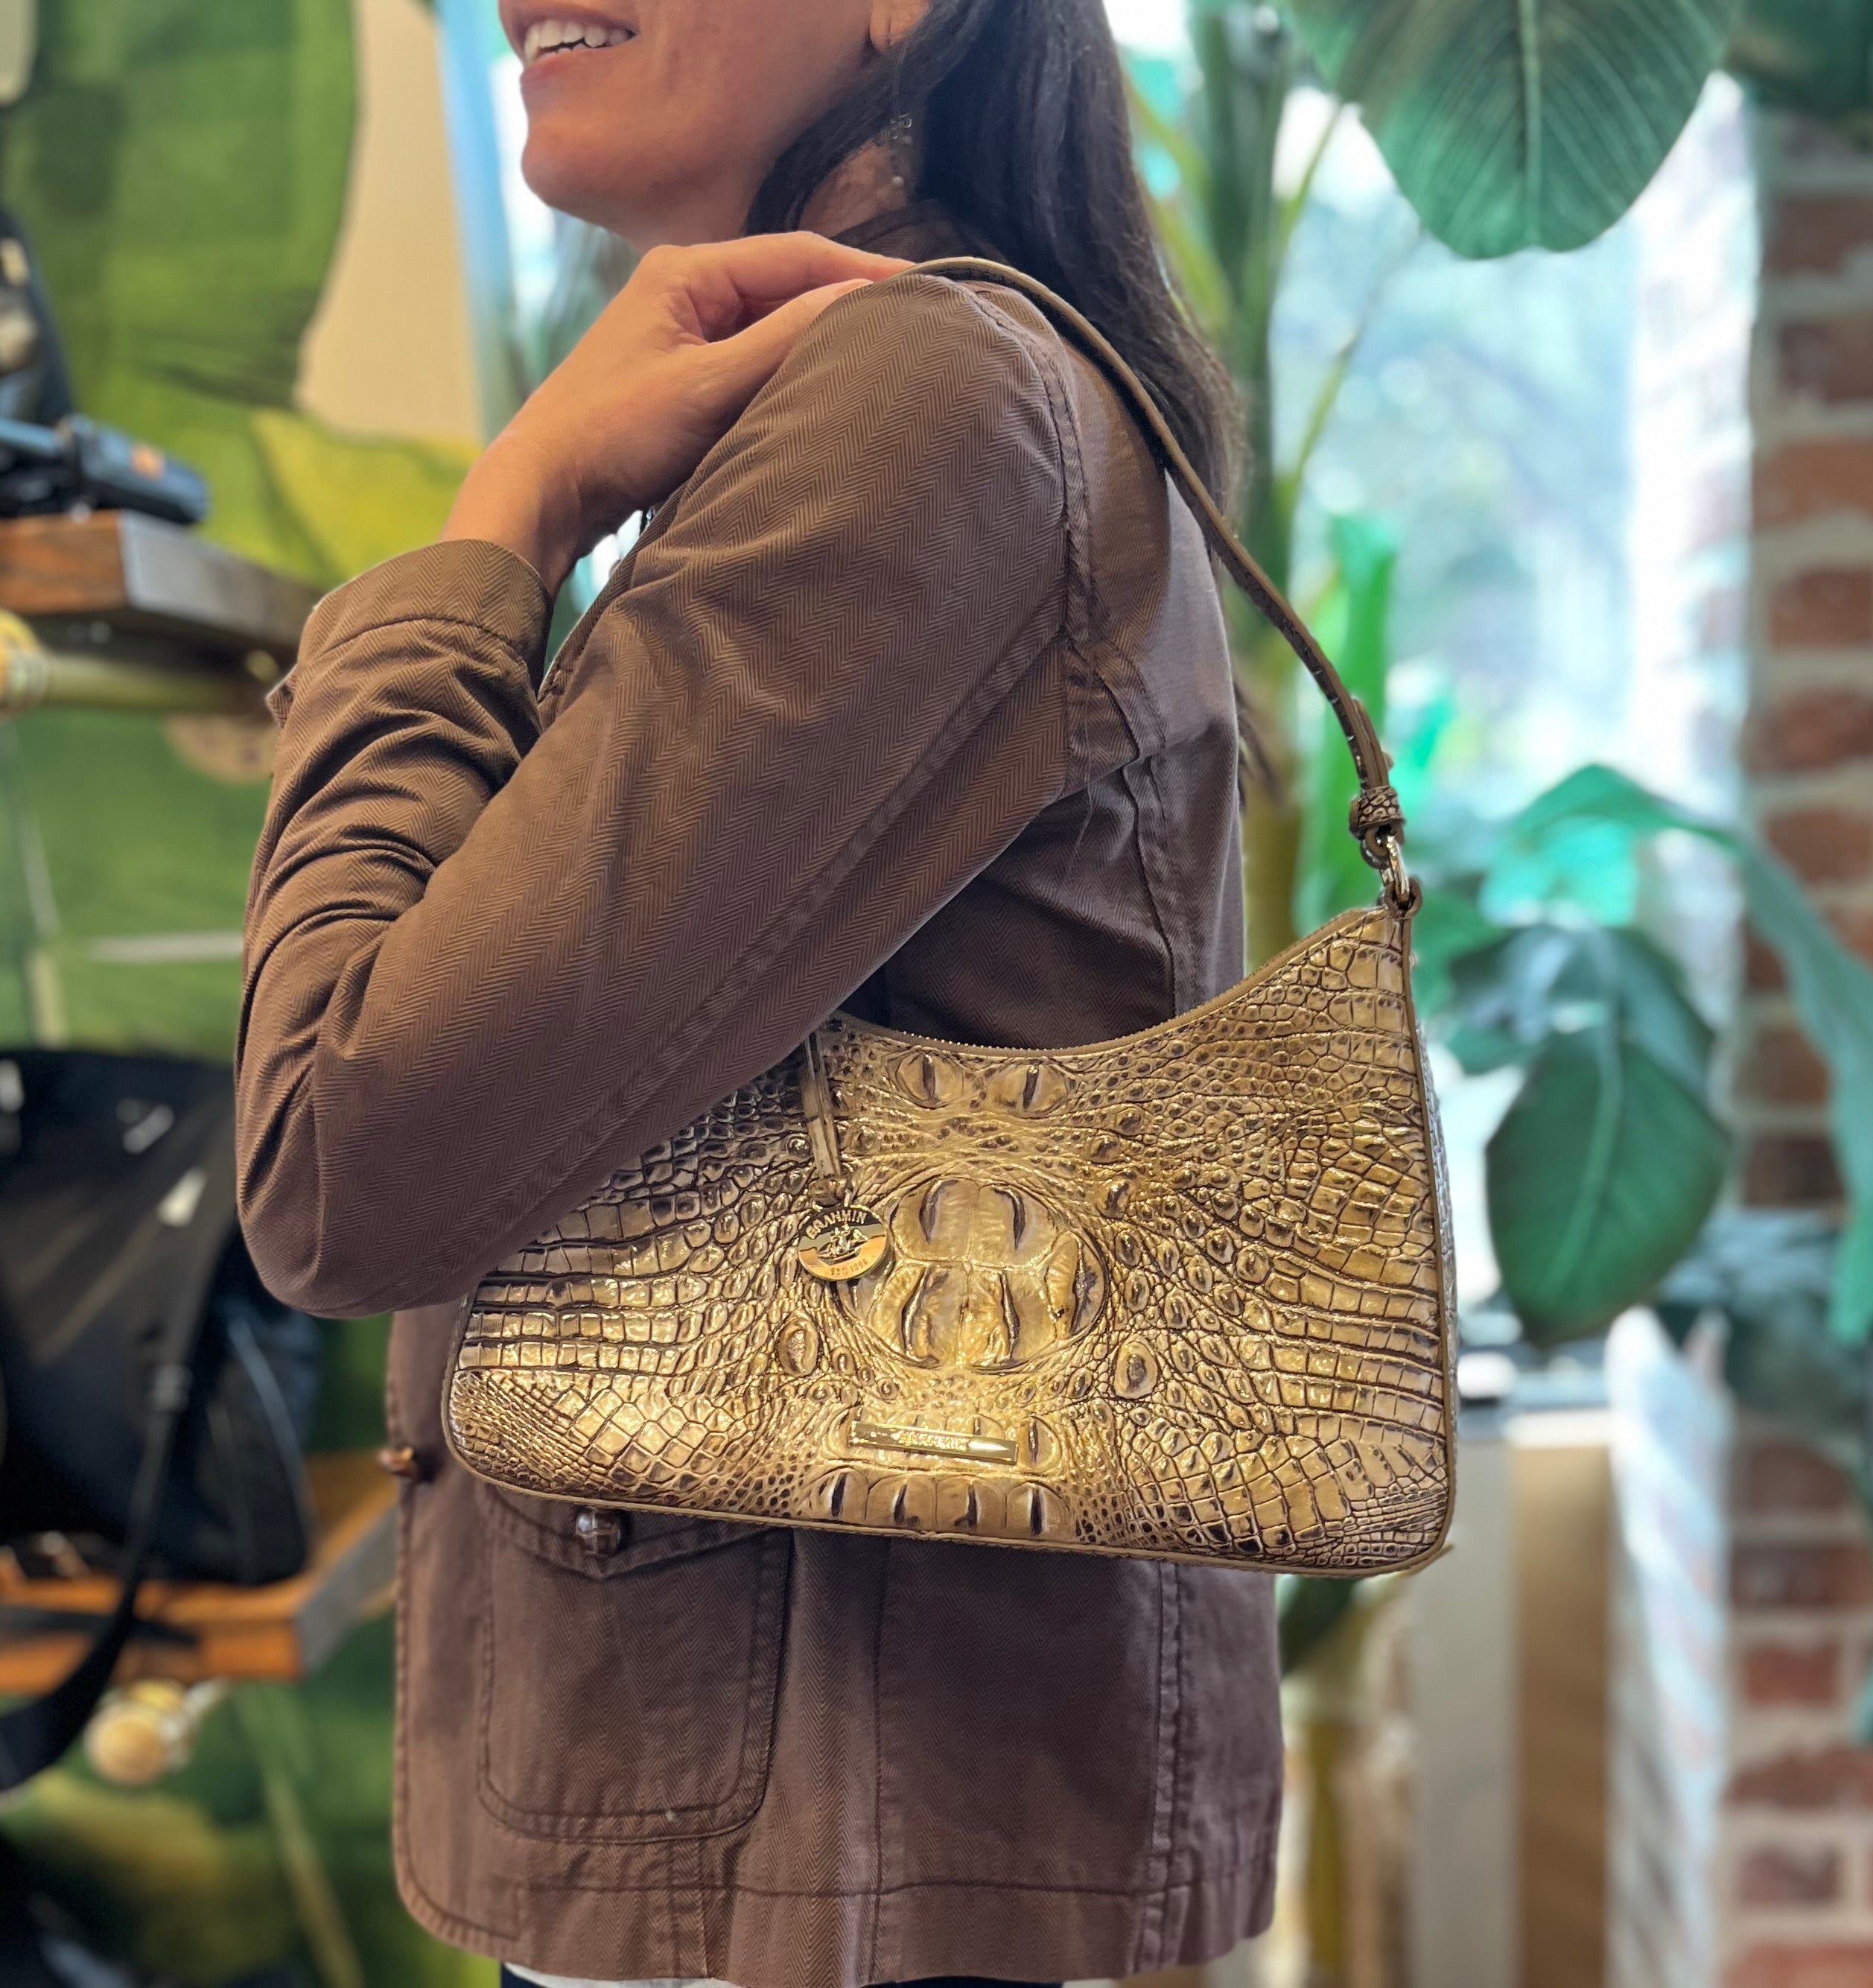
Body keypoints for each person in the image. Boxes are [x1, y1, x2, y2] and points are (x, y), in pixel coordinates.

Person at [233, 2, 1284, 1985]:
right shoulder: (917, 391)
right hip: (821, 1828)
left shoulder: (925, 399)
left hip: (815, 1863)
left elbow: (340, 1152)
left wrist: (503, 520)